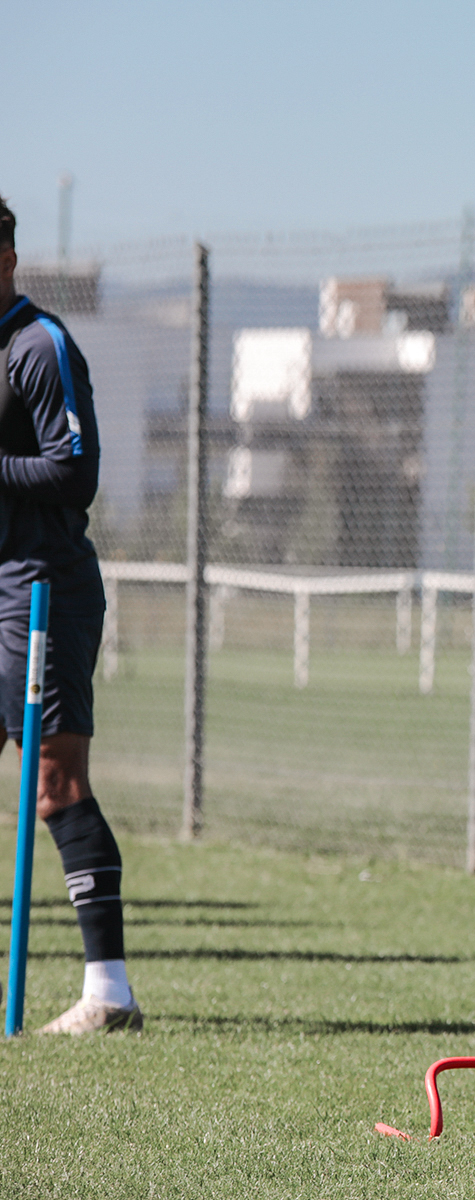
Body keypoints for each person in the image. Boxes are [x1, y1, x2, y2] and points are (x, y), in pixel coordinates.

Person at [0, 195, 139, 1034]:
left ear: (7, 257)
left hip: (41, 587)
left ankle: (109, 993)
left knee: (55, 783)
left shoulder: (40, 346)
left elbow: (72, 472)